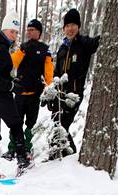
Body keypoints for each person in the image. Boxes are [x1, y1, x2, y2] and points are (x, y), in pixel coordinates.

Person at [0, 12, 31, 182]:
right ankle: (23, 160)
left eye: (16, 32)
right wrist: (11, 86)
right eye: (12, 31)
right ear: (4, 30)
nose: (14, 35)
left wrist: (11, 80)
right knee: (16, 124)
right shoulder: (0, 48)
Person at [49, 8, 100, 156]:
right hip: (60, 94)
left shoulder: (83, 45)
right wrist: (53, 92)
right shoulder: (62, 48)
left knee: (62, 125)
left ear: (78, 26)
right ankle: (59, 154)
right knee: (56, 124)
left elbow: (100, 41)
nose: (70, 29)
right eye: (67, 26)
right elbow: (56, 73)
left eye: (73, 25)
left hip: (74, 95)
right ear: (64, 28)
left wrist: (84, 40)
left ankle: (70, 154)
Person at [2, 19, 53, 160]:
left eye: (33, 30)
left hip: (34, 95)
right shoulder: (22, 47)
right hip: (19, 94)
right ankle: (12, 148)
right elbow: (12, 62)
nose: (30, 32)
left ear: (39, 33)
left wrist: (49, 89)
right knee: (15, 122)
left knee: (30, 123)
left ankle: (27, 148)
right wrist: (22, 50)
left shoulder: (45, 49)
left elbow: (49, 73)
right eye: (28, 29)